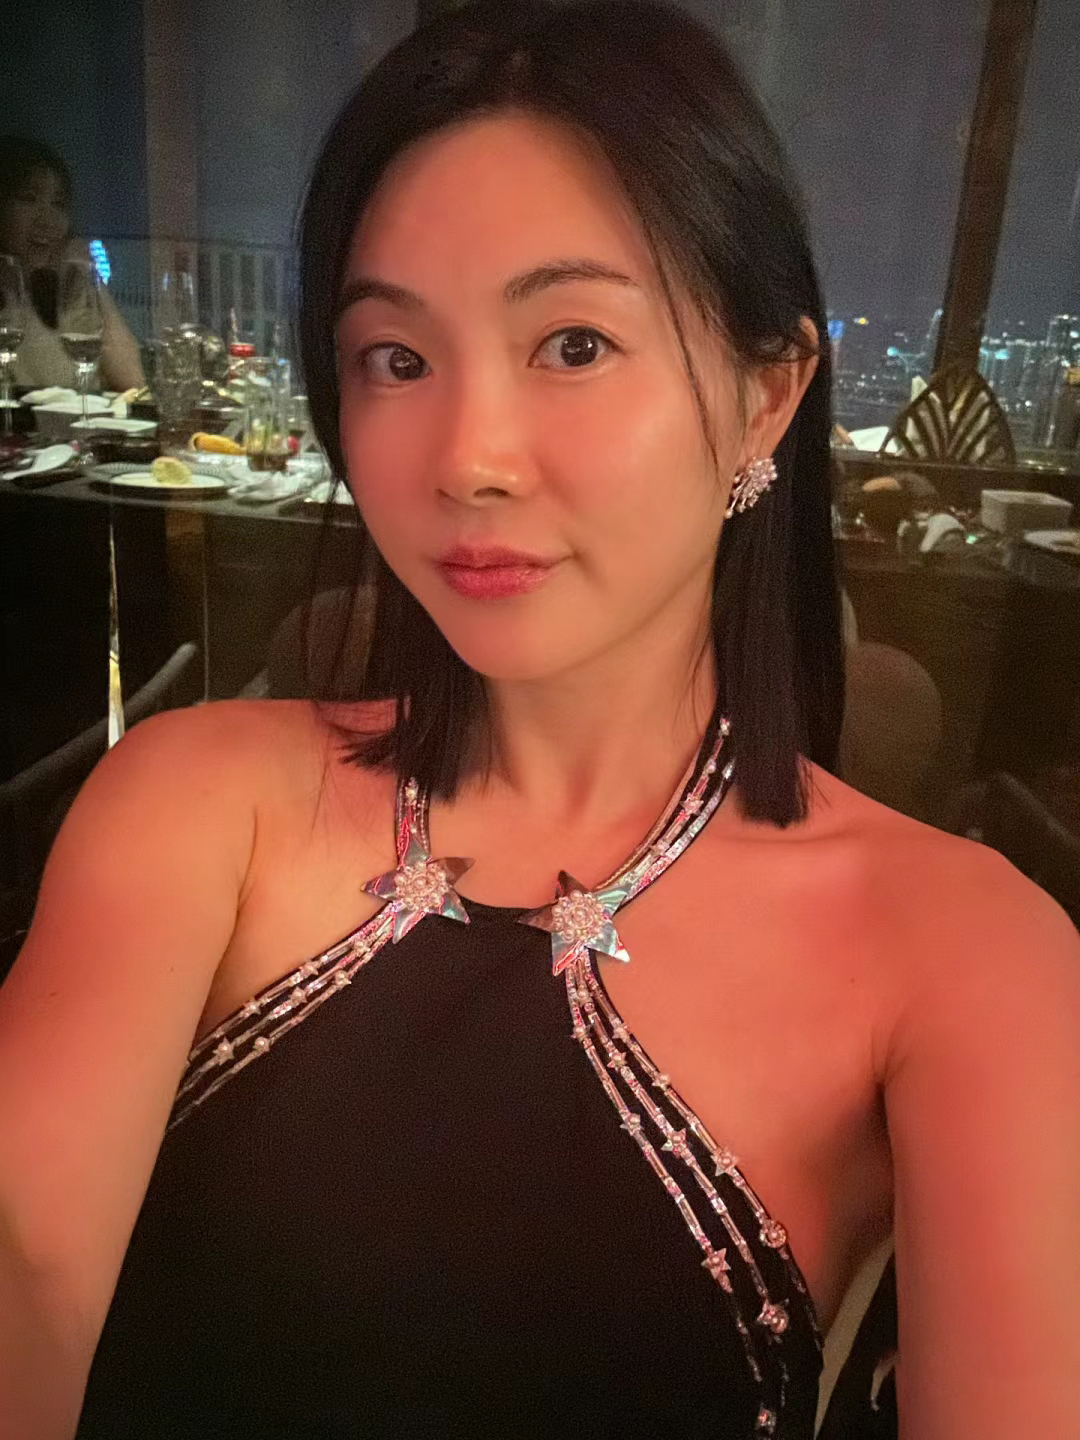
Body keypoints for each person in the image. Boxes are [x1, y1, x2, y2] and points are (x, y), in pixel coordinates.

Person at [2, 2, 1078, 1436]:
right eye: (396, 357)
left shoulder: (967, 954)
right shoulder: (193, 801)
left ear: (768, 394)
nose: (470, 458)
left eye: (574, 343)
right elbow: (26, 1268)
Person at [0, 136, 145, 392]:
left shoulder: (71, 286)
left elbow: (132, 382)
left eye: (58, 204)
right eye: (28, 199)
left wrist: (92, 279)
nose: (47, 220)